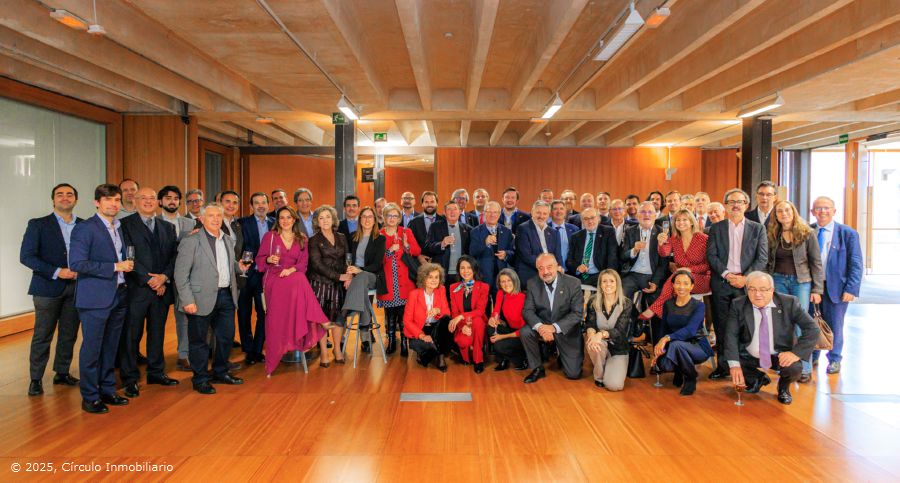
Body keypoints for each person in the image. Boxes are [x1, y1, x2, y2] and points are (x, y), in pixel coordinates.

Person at [69, 184, 133, 414]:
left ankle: (107, 390)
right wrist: (115, 267)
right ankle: (90, 396)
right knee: (92, 349)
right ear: (97, 202)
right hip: (94, 298)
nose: (113, 204)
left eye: (116, 200)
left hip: (119, 294)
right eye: (108, 200)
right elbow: (77, 264)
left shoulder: (118, 227)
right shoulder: (85, 228)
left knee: (110, 348)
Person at [174, 203, 249, 394]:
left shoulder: (227, 240)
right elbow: (180, 274)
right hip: (199, 298)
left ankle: (220, 372)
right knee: (199, 341)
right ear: (201, 219)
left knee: (225, 337)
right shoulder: (191, 241)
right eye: (211, 216)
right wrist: (187, 300)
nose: (215, 219)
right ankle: (200, 379)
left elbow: (227, 264)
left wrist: (239, 267)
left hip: (226, 296)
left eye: (218, 216)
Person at [20, 183, 82, 396]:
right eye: (60, 194)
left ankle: (62, 372)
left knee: (69, 333)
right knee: (42, 335)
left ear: (75, 199)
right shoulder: (38, 225)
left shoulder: (84, 225)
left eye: (69, 194)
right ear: (53, 200)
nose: (65, 197)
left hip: (77, 287)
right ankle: (35, 379)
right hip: (47, 287)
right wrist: (57, 271)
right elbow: (27, 256)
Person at [118, 187, 179, 398]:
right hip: (137, 289)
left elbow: (174, 256)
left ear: (158, 202)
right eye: (143, 198)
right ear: (135, 201)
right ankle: (129, 378)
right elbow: (127, 256)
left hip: (161, 289)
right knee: (131, 335)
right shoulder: (124, 225)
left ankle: (156, 372)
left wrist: (164, 277)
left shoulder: (168, 227)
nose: (148, 201)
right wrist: (150, 279)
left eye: (152, 198)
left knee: (157, 333)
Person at [255, 206, 330, 375]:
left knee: (299, 278)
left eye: (288, 217)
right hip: (274, 278)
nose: (285, 221)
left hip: (293, 278)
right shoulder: (270, 237)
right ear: (278, 220)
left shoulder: (302, 238)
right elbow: (260, 260)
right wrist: (268, 259)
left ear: (294, 219)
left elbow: (303, 264)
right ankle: (320, 318)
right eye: (282, 217)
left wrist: (290, 270)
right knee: (300, 280)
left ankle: (309, 325)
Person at [726, 271, 819, 405]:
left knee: (794, 368)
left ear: (772, 290)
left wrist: (795, 353)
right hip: (748, 354)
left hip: (779, 354)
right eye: (752, 289)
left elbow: (812, 329)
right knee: (727, 360)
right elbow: (731, 335)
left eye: (763, 289)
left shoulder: (789, 303)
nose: (757, 294)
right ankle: (758, 378)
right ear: (746, 290)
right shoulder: (738, 304)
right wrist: (734, 365)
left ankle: (783, 388)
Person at [706, 188, 768, 380]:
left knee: (745, 326)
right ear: (726, 205)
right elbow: (711, 256)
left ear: (746, 205)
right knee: (722, 326)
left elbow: (762, 258)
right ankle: (723, 366)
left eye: (739, 201)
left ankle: (746, 368)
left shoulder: (757, 229)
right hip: (722, 282)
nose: (735, 205)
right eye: (731, 201)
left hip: (746, 285)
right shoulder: (716, 228)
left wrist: (745, 278)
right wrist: (726, 274)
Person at [767, 200, 823, 382]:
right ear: (776, 215)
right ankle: (784, 365)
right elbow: (768, 261)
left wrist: (817, 289)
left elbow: (816, 262)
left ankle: (805, 368)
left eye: (787, 210)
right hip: (778, 281)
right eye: (779, 211)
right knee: (781, 324)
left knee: (801, 324)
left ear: (793, 212)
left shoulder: (807, 233)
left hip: (801, 283)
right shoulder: (772, 233)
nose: (784, 213)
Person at [810, 196, 863, 375]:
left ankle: (834, 359)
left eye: (826, 208)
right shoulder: (808, 231)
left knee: (835, 324)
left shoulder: (847, 233)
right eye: (818, 208)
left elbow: (856, 263)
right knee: (812, 323)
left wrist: (851, 288)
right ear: (812, 212)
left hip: (837, 288)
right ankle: (813, 355)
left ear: (834, 211)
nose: (822, 211)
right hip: (812, 287)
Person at [521, 253, 584, 383]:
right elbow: (528, 311)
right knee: (525, 331)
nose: (545, 272)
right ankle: (537, 368)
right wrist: (541, 327)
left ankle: (563, 355)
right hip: (543, 324)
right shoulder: (532, 283)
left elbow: (577, 313)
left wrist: (554, 328)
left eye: (549, 267)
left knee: (573, 374)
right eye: (541, 268)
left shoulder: (573, 283)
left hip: (566, 329)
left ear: (557, 266)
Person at [157, 185, 199, 371]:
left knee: (184, 318)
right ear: (160, 201)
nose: (172, 201)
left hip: (184, 278)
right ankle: (155, 359)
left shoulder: (190, 223)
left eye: (175, 198)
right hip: (160, 279)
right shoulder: (154, 222)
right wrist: (162, 277)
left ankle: (184, 354)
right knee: (157, 321)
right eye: (168, 198)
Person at [652, 270, 713, 396]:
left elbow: (690, 330)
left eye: (686, 283)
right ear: (673, 285)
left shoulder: (699, 306)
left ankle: (691, 377)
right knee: (663, 365)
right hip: (674, 344)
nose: (681, 287)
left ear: (692, 286)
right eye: (678, 283)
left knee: (677, 345)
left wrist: (667, 338)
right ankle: (680, 370)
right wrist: (658, 349)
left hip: (697, 346)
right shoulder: (668, 304)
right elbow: (663, 328)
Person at [641, 210, 711, 319]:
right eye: (678, 220)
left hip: (702, 278)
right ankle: (672, 319)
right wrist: (661, 243)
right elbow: (664, 253)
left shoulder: (703, 238)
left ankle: (654, 310)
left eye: (684, 220)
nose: (680, 222)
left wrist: (690, 270)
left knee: (677, 278)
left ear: (691, 222)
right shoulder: (674, 238)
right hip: (681, 278)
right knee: (678, 279)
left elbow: (708, 265)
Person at [307, 205, 350, 367]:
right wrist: (339, 276)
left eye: (328, 217)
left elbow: (347, 258)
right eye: (321, 218)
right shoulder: (314, 240)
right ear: (317, 222)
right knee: (322, 318)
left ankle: (337, 349)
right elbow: (316, 264)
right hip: (320, 283)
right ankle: (324, 352)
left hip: (339, 285)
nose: (325, 220)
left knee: (339, 318)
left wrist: (349, 275)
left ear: (333, 219)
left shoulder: (342, 237)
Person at [378, 203, 422, 356]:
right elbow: (376, 260)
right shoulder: (379, 235)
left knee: (404, 315)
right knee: (390, 314)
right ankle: (391, 341)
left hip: (406, 282)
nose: (392, 218)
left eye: (395, 216)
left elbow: (417, 251)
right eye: (389, 215)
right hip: (388, 282)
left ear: (399, 218)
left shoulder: (406, 231)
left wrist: (407, 245)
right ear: (384, 217)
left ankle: (404, 342)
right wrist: (389, 250)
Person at [341, 206, 385, 352]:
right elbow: (347, 259)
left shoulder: (380, 239)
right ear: (360, 220)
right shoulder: (353, 237)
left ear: (374, 220)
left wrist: (359, 270)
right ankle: (365, 334)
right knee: (362, 291)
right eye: (364, 216)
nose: (367, 219)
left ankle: (345, 312)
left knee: (363, 276)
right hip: (356, 277)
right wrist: (350, 275)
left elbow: (377, 264)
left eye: (370, 217)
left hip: (372, 275)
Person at [238, 192, 273, 365]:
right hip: (247, 273)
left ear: (268, 205)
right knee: (244, 312)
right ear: (251, 206)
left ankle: (257, 349)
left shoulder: (275, 223)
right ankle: (248, 348)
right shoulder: (242, 223)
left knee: (264, 312)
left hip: (266, 276)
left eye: (263, 202)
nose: (260, 206)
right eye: (256, 203)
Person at [584, 269, 632, 391]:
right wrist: (591, 334)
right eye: (604, 281)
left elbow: (620, 331)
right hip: (599, 344)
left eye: (611, 281)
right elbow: (590, 323)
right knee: (594, 343)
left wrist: (600, 334)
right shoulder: (593, 301)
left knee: (614, 386)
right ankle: (599, 376)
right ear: (600, 284)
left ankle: (610, 367)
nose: (608, 284)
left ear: (617, 283)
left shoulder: (626, 303)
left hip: (618, 348)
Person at [403, 263, 452, 372]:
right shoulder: (414, 294)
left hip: (436, 327)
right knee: (422, 344)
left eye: (436, 277)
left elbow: (447, 313)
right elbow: (407, 320)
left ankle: (439, 357)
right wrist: (422, 335)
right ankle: (426, 351)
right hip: (420, 328)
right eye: (430, 277)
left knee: (446, 320)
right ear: (423, 278)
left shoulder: (441, 290)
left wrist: (438, 311)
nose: (434, 280)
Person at [448, 256, 490, 373]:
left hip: (478, 322)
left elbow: (480, 311)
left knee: (477, 321)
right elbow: (454, 313)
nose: (465, 271)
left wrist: (462, 316)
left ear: (474, 269)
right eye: (462, 268)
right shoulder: (453, 288)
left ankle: (478, 360)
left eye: (469, 267)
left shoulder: (483, 287)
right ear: (458, 270)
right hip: (462, 323)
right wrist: (462, 326)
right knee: (463, 341)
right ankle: (465, 356)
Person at [619, 201, 666, 302]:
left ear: (655, 216)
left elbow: (663, 263)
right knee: (621, 299)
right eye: (643, 212)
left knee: (655, 303)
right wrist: (634, 250)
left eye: (650, 212)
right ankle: (633, 312)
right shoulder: (629, 231)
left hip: (652, 276)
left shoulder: (662, 232)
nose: (646, 215)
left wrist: (655, 282)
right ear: (637, 216)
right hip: (632, 275)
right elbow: (623, 256)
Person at [566, 208, 619, 286]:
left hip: (600, 274)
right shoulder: (576, 236)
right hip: (580, 275)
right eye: (586, 219)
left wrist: (608, 275)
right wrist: (577, 267)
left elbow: (612, 257)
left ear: (598, 218)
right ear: (582, 221)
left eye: (592, 218)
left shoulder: (608, 232)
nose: (590, 221)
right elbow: (569, 260)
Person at [469, 201, 514, 291]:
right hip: (482, 276)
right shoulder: (475, 231)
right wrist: (485, 243)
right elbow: (472, 252)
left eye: (495, 212)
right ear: (484, 213)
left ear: (499, 214)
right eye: (489, 212)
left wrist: (506, 254)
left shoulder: (507, 232)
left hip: (502, 277)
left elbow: (513, 252)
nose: (492, 215)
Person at [488, 269, 528, 371]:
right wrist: (493, 319)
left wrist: (501, 337)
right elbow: (496, 311)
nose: (506, 284)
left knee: (499, 345)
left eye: (509, 280)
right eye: (503, 281)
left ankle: (522, 360)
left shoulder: (523, 298)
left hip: (522, 334)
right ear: (499, 284)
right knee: (490, 328)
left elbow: (525, 329)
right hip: (510, 329)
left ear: (515, 281)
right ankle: (503, 360)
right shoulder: (501, 293)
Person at [424, 201, 471, 287]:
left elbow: (470, 252)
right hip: (441, 272)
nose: (452, 212)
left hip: (461, 273)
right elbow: (427, 248)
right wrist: (442, 244)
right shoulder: (435, 227)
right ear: (444, 213)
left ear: (460, 212)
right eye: (449, 209)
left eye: (455, 209)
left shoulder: (467, 229)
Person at [515, 200, 558, 287]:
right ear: (532, 212)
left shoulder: (553, 232)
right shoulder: (523, 228)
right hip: (530, 274)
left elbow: (557, 254)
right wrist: (545, 267)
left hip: (550, 274)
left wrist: (558, 267)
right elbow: (525, 255)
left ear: (548, 215)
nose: (541, 216)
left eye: (545, 213)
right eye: (538, 213)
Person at [407, 191, 442, 263]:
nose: (429, 205)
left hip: (440, 263)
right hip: (420, 263)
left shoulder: (444, 221)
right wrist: (418, 256)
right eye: (426, 202)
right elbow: (409, 244)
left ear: (437, 203)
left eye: (432, 202)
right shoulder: (413, 222)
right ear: (422, 204)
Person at [549, 200, 580, 267]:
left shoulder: (575, 229)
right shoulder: (545, 229)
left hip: (570, 269)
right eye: (555, 209)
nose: (559, 211)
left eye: (561, 209)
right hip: (551, 268)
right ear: (550, 212)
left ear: (565, 212)